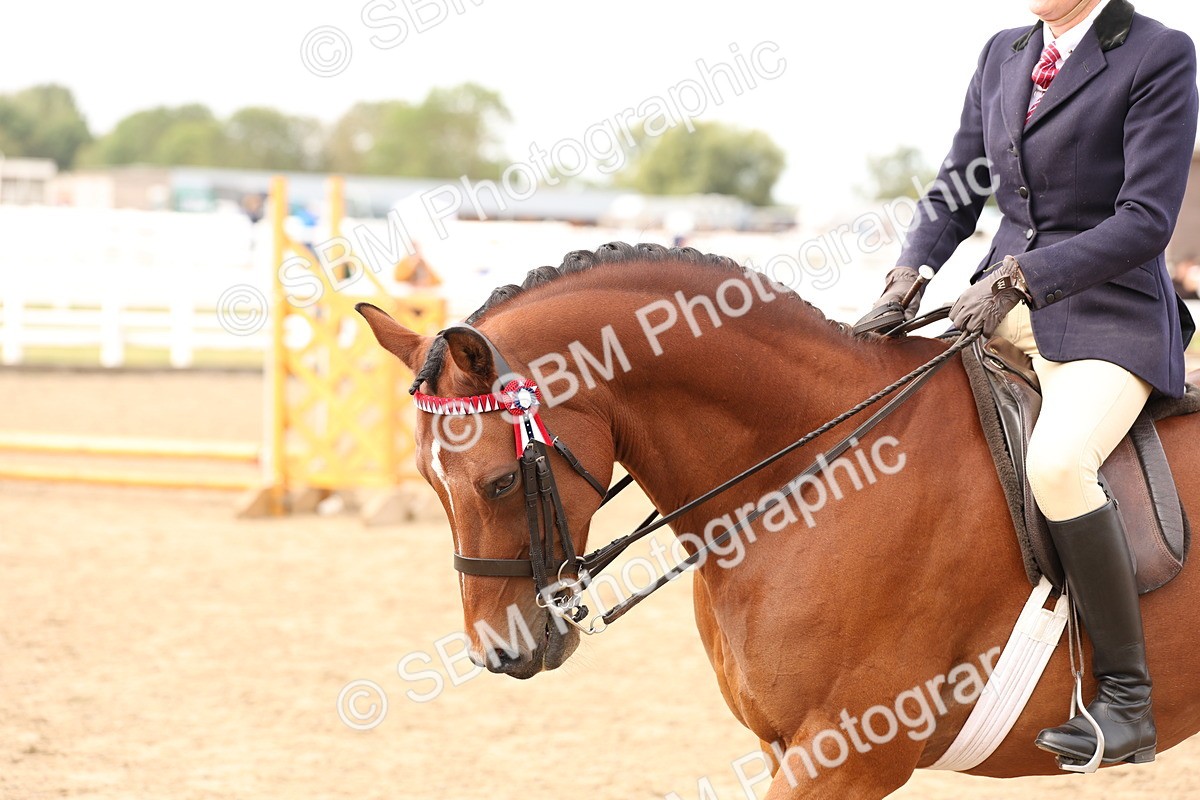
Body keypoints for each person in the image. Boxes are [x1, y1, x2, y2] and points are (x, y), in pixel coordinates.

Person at [856, 0, 1198, 768]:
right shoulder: (1003, 53)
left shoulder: (1158, 53)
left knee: (1058, 464)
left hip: (1108, 318)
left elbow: (1146, 218)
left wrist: (1020, 275)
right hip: (995, 310)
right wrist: (907, 275)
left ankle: (1127, 702)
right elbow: (956, 187)